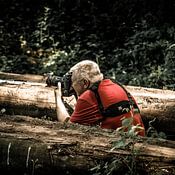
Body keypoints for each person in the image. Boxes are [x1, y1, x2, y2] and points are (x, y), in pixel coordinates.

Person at [54, 60, 145, 136]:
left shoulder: (89, 97)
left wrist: (58, 98)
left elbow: (68, 127)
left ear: (85, 83)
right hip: (139, 140)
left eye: (73, 83)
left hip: (120, 149)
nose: (72, 87)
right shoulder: (115, 85)